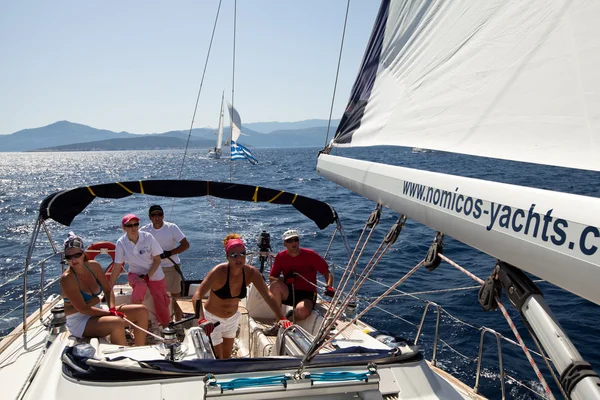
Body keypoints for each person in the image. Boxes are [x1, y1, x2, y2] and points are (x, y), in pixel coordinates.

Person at [191, 234, 290, 359]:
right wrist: (202, 319)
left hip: (232, 320)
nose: (239, 258)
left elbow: (268, 295)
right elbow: (197, 295)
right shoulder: (218, 272)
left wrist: (281, 317)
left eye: (242, 254)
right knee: (218, 359)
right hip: (212, 321)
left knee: (227, 358)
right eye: (234, 255)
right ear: (227, 257)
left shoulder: (251, 272)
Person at [60, 232, 148, 346]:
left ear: (83, 253)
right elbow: (83, 309)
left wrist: (112, 309)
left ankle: (140, 350)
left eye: (77, 255)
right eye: (69, 257)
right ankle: (125, 358)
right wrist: (110, 314)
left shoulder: (94, 266)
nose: (73, 259)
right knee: (116, 323)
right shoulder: (67, 279)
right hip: (80, 321)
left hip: (97, 310)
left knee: (142, 311)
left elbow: (108, 290)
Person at [266, 229, 334, 334]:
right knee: (275, 286)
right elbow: (272, 277)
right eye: (290, 241)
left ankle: (290, 316)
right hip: (289, 291)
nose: (294, 243)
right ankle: (278, 323)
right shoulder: (281, 257)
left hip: (307, 293)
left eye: (296, 240)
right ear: (285, 243)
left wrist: (329, 286)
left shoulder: (310, 255)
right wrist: (286, 279)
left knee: (302, 311)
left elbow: (327, 273)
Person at [110, 214, 171, 328]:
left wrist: (148, 276)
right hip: (135, 274)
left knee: (161, 302)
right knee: (140, 284)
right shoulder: (121, 242)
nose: (133, 228)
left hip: (155, 274)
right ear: (124, 228)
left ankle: (165, 327)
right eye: (129, 225)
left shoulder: (148, 237)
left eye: (136, 224)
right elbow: (117, 266)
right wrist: (109, 287)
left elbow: (157, 260)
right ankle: (135, 321)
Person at [140, 204, 190, 321]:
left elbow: (185, 245)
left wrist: (169, 253)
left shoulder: (172, 228)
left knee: (176, 295)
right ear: (149, 217)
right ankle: (157, 322)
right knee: (156, 297)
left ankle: (178, 322)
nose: (157, 217)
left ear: (163, 215)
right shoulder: (144, 230)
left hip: (171, 267)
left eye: (159, 214)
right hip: (153, 269)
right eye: (154, 215)